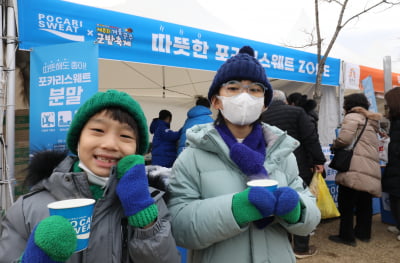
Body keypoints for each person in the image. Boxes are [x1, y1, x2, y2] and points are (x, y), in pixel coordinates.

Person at [167, 46, 321, 263]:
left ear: (265, 103)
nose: (245, 96)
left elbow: (311, 215)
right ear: (216, 101)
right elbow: (179, 226)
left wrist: (298, 209)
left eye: (255, 90)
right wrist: (236, 209)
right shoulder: (192, 157)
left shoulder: (282, 152)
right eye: (233, 88)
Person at [0, 89, 181, 262]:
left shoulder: (153, 203)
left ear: (137, 150)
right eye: (98, 131)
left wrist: (145, 218)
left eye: (125, 135)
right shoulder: (27, 209)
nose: (110, 144)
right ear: (78, 140)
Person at [261, 89, 326, 259]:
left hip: (271, 166)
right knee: (299, 201)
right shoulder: (297, 112)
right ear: (285, 100)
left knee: (277, 203)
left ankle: (283, 245)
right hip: (297, 164)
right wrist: (318, 160)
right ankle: (301, 248)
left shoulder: (262, 115)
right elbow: (310, 137)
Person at [328, 93, 382, 246]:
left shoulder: (352, 117)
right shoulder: (371, 120)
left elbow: (345, 139)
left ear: (349, 105)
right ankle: (364, 234)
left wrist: (335, 144)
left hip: (354, 164)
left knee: (346, 201)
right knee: (365, 201)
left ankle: (346, 236)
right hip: (369, 165)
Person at [381, 86, 400, 240]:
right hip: (395, 166)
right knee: (395, 197)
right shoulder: (395, 121)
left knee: (396, 198)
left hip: (397, 166)